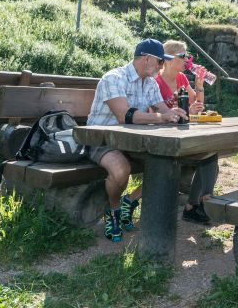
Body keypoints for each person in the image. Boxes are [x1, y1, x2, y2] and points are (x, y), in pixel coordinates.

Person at [87, 38, 187, 242]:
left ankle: (129, 201)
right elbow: (124, 115)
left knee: (173, 162)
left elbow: (164, 110)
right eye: (161, 61)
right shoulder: (113, 78)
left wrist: (174, 113)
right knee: (121, 169)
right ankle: (113, 210)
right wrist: (162, 117)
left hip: (131, 143)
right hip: (102, 139)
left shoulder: (150, 83)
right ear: (147, 59)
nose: (162, 66)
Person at [156, 40, 217, 224]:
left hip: (182, 132)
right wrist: (188, 112)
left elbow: (197, 101)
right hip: (163, 136)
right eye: (183, 56)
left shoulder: (182, 78)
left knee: (210, 152)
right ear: (168, 59)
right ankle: (203, 203)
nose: (187, 60)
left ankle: (196, 205)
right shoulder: (155, 82)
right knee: (209, 155)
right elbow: (155, 114)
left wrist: (199, 84)